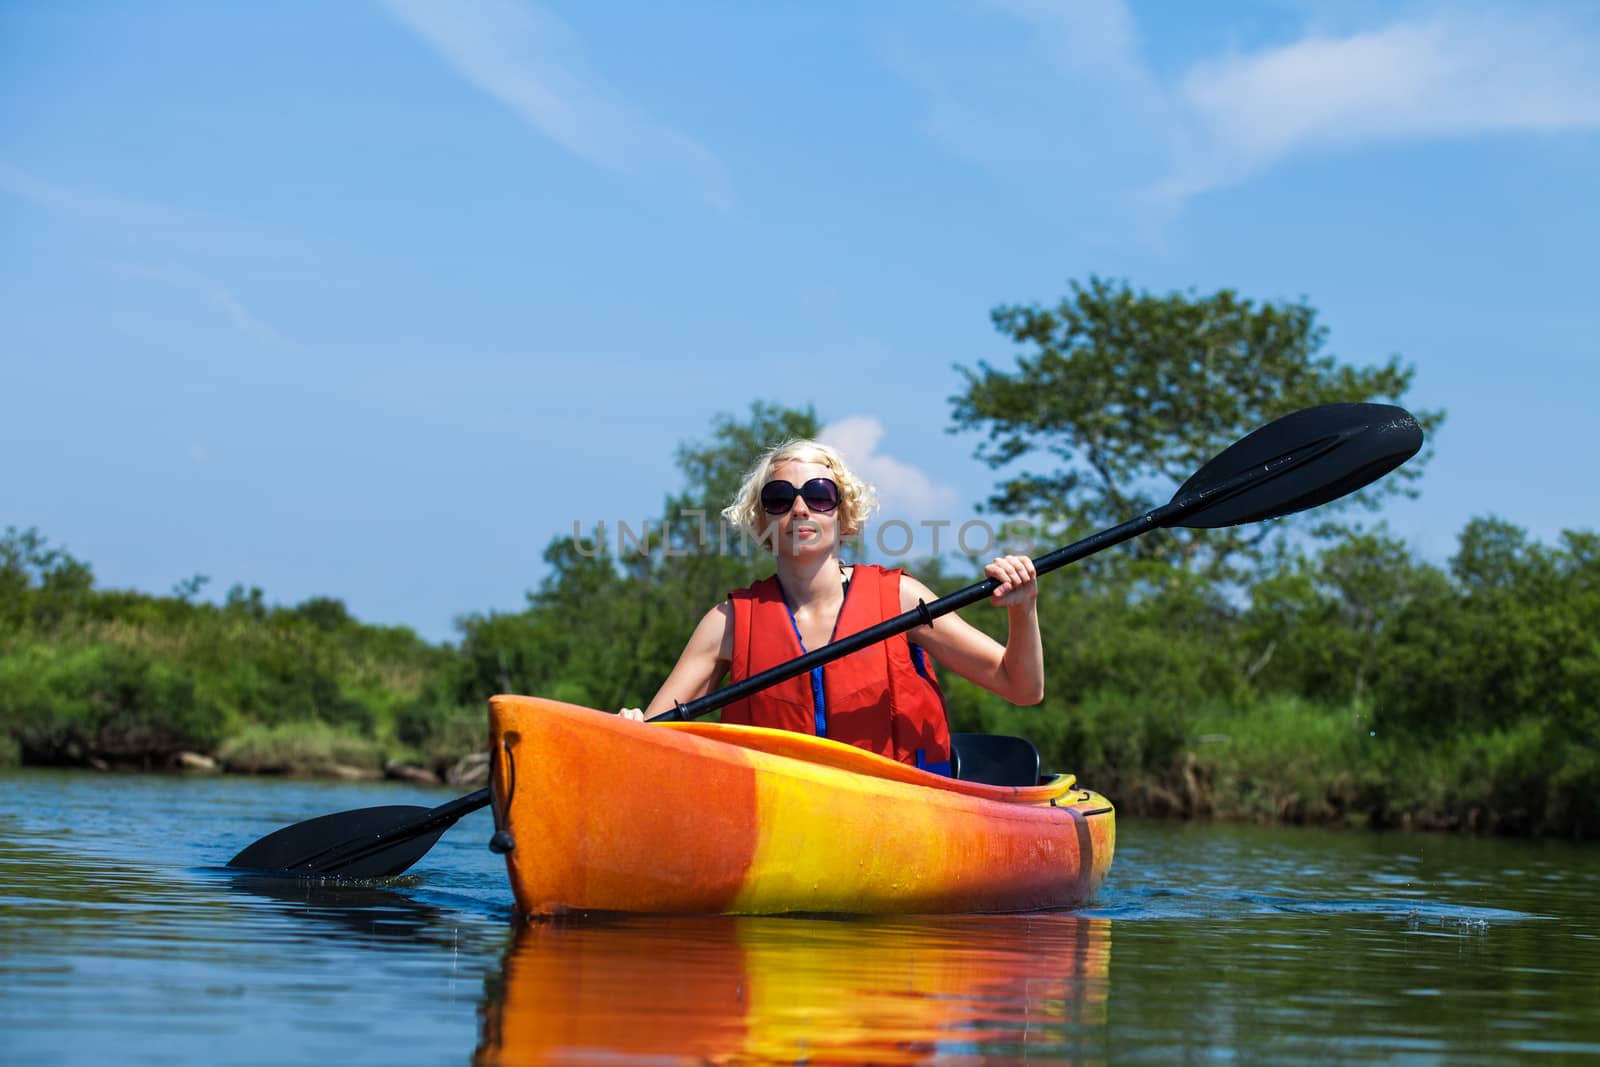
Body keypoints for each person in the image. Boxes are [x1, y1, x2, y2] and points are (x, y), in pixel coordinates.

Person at [619, 439, 1041, 776]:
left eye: (819, 495)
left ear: (845, 515)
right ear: (763, 522)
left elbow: (1021, 688)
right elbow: (651, 741)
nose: (800, 508)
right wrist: (630, 728)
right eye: (780, 498)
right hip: (780, 820)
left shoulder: (901, 600)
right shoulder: (727, 624)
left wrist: (1022, 610)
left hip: (903, 812)